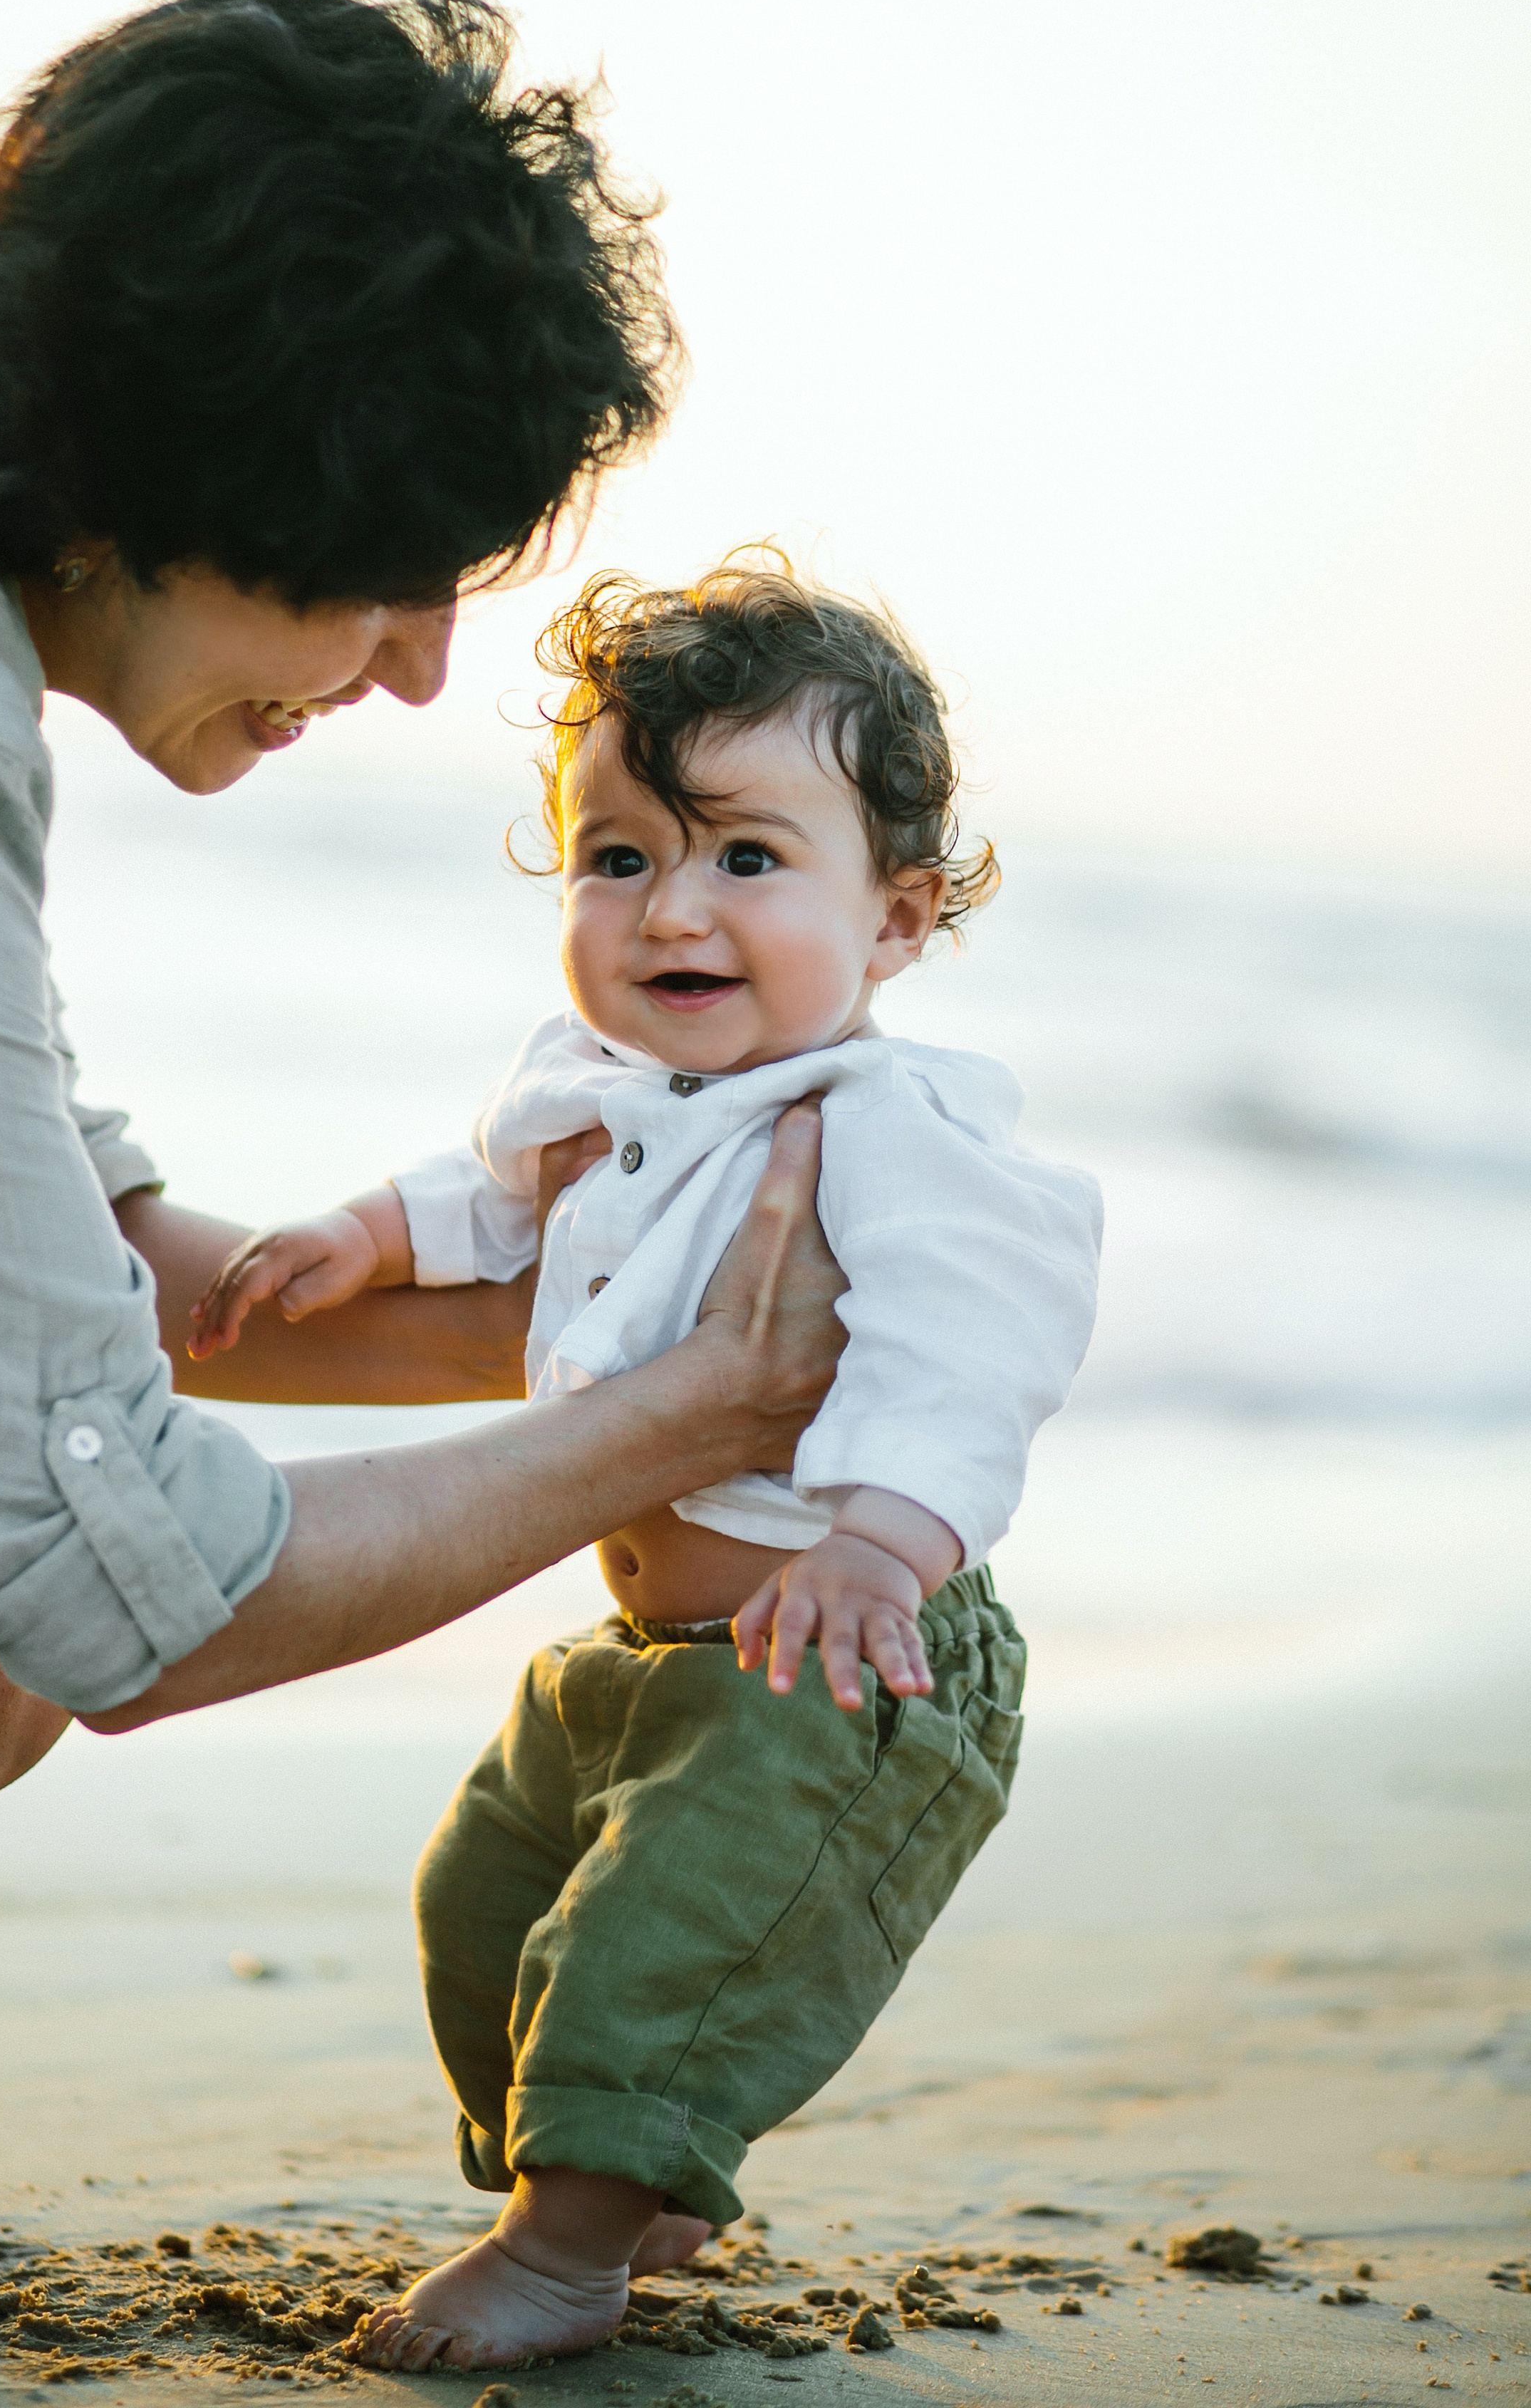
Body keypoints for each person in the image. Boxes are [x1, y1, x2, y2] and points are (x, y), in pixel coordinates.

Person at [0, 0, 849, 2275]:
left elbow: (108, 1290)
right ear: (176, 477)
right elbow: (136, 1587)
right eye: (384, 571)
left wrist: (681, 1306)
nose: (426, 665)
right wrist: (696, 1414)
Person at [189, 554, 1104, 2369]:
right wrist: (361, 1235)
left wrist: (877, 1540)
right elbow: (493, 1198)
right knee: (485, 1900)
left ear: (897, 917)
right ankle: (638, 2180)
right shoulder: (597, 1089)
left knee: (658, 1943)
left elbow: (975, 1336)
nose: (671, 907)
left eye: (746, 858)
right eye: (618, 855)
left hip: (829, 1660)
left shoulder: (888, 1121)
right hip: (637, 1658)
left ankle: (569, 2248)